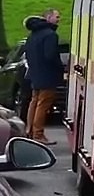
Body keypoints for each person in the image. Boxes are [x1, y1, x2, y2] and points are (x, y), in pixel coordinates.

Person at [24, 8, 62, 145]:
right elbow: (51, 55)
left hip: (35, 73)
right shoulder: (50, 35)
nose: (59, 19)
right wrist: (60, 68)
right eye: (56, 16)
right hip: (47, 74)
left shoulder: (32, 35)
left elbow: (27, 54)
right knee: (43, 104)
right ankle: (38, 134)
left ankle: (29, 131)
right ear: (48, 18)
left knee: (34, 102)